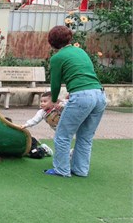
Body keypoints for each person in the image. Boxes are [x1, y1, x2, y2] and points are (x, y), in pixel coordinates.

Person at [43, 25, 106, 177]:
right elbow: (85, 74)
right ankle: (81, 170)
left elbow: (55, 84)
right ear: (69, 38)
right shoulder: (80, 51)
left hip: (81, 96)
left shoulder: (57, 58)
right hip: (99, 95)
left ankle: (61, 170)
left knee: (62, 135)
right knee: (85, 136)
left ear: (51, 42)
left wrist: (53, 100)